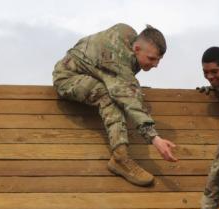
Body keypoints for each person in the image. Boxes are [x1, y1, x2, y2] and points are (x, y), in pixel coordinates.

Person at [53, 23, 177, 186]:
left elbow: (122, 78)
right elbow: (127, 95)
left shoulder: (128, 39)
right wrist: (155, 138)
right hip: (68, 77)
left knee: (121, 91)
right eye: (152, 59)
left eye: (158, 60)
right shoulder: (116, 57)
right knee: (109, 97)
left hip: (90, 73)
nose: (155, 65)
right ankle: (120, 157)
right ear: (137, 48)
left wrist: (132, 88)